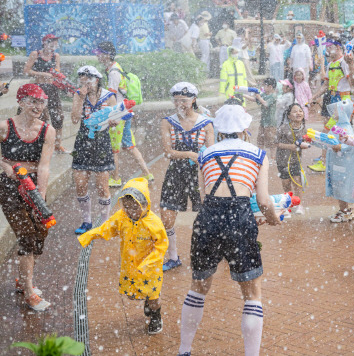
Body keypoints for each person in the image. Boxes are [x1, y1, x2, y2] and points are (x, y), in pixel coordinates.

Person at [177, 104, 280, 356]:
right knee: (252, 291)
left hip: (208, 218)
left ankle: (184, 350)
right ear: (245, 128)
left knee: (198, 286)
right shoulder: (258, 154)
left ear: (219, 129)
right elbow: (264, 200)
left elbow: (204, 197)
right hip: (240, 218)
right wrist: (272, 218)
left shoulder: (205, 154)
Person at [78, 178, 168, 334]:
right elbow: (107, 228)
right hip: (131, 266)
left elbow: (161, 246)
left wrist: (149, 263)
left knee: (153, 296)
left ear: (145, 204)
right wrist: (91, 235)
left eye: (135, 207)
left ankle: (156, 317)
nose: (131, 212)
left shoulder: (154, 223)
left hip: (151, 267)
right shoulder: (122, 217)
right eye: (127, 207)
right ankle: (147, 300)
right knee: (133, 295)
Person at [0, 84, 55, 311]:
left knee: (41, 231)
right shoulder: (5, 127)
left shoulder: (47, 131)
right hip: (9, 187)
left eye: (41, 102)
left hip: (33, 187)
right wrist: (3, 164)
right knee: (27, 237)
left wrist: (39, 199)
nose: (37, 106)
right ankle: (29, 291)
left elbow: (44, 167)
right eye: (32, 101)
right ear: (21, 102)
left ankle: (24, 277)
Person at [160, 82, 214, 271]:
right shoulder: (168, 122)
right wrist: (190, 155)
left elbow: (211, 152)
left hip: (200, 174)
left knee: (206, 215)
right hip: (176, 172)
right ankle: (173, 256)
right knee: (166, 215)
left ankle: (206, 253)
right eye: (176, 101)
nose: (179, 104)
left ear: (193, 100)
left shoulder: (206, 123)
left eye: (183, 100)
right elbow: (167, 152)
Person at [93, 41, 153, 188]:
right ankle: (147, 174)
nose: (98, 56)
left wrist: (107, 115)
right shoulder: (117, 68)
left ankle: (116, 178)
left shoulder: (113, 72)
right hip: (125, 113)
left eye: (100, 53)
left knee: (113, 149)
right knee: (130, 146)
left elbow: (111, 97)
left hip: (117, 115)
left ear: (107, 55)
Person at [71, 66, 117, 235]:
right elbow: (75, 119)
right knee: (80, 184)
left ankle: (105, 222)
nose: (85, 84)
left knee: (102, 186)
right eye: (81, 80)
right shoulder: (79, 94)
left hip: (101, 142)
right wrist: (81, 98)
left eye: (87, 80)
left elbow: (116, 118)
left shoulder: (108, 95)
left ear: (96, 80)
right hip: (83, 141)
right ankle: (86, 220)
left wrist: (113, 121)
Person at [308, 38, 354, 172]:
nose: (327, 50)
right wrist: (314, 97)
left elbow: (353, 85)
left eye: (330, 47)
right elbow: (325, 85)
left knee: (329, 130)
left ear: (338, 48)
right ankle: (334, 157)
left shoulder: (344, 63)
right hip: (333, 99)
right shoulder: (331, 64)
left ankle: (325, 161)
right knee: (337, 131)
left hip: (343, 101)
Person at [23, 34, 66, 153]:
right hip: (38, 89)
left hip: (52, 88)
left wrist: (62, 80)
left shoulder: (56, 56)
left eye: (55, 44)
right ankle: (37, 143)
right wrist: (42, 74)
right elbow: (26, 70)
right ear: (45, 43)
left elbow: (57, 71)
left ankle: (58, 145)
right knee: (39, 116)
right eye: (51, 43)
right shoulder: (35, 54)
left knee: (58, 116)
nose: (53, 46)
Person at [325, 99, 354, 223]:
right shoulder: (337, 126)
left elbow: (353, 146)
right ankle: (345, 210)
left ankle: (344, 211)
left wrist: (341, 147)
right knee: (339, 186)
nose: (333, 112)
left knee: (342, 186)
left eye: (336, 109)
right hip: (338, 163)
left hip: (343, 164)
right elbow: (328, 141)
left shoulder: (345, 128)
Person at [276, 103, 308, 215]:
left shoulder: (304, 129)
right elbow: (276, 143)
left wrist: (306, 144)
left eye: (300, 111)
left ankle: (299, 204)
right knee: (286, 182)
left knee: (297, 181)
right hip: (282, 160)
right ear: (289, 116)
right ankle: (287, 204)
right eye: (295, 111)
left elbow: (306, 141)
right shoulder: (283, 128)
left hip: (295, 160)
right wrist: (290, 147)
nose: (298, 113)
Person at [243, 78, 278, 159]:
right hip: (263, 122)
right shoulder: (264, 94)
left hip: (271, 123)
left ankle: (273, 157)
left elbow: (266, 104)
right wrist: (243, 95)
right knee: (260, 139)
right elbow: (255, 99)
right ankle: (260, 156)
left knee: (271, 141)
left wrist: (259, 97)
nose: (263, 87)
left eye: (264, 86)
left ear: (270, 87)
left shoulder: (273, 96)